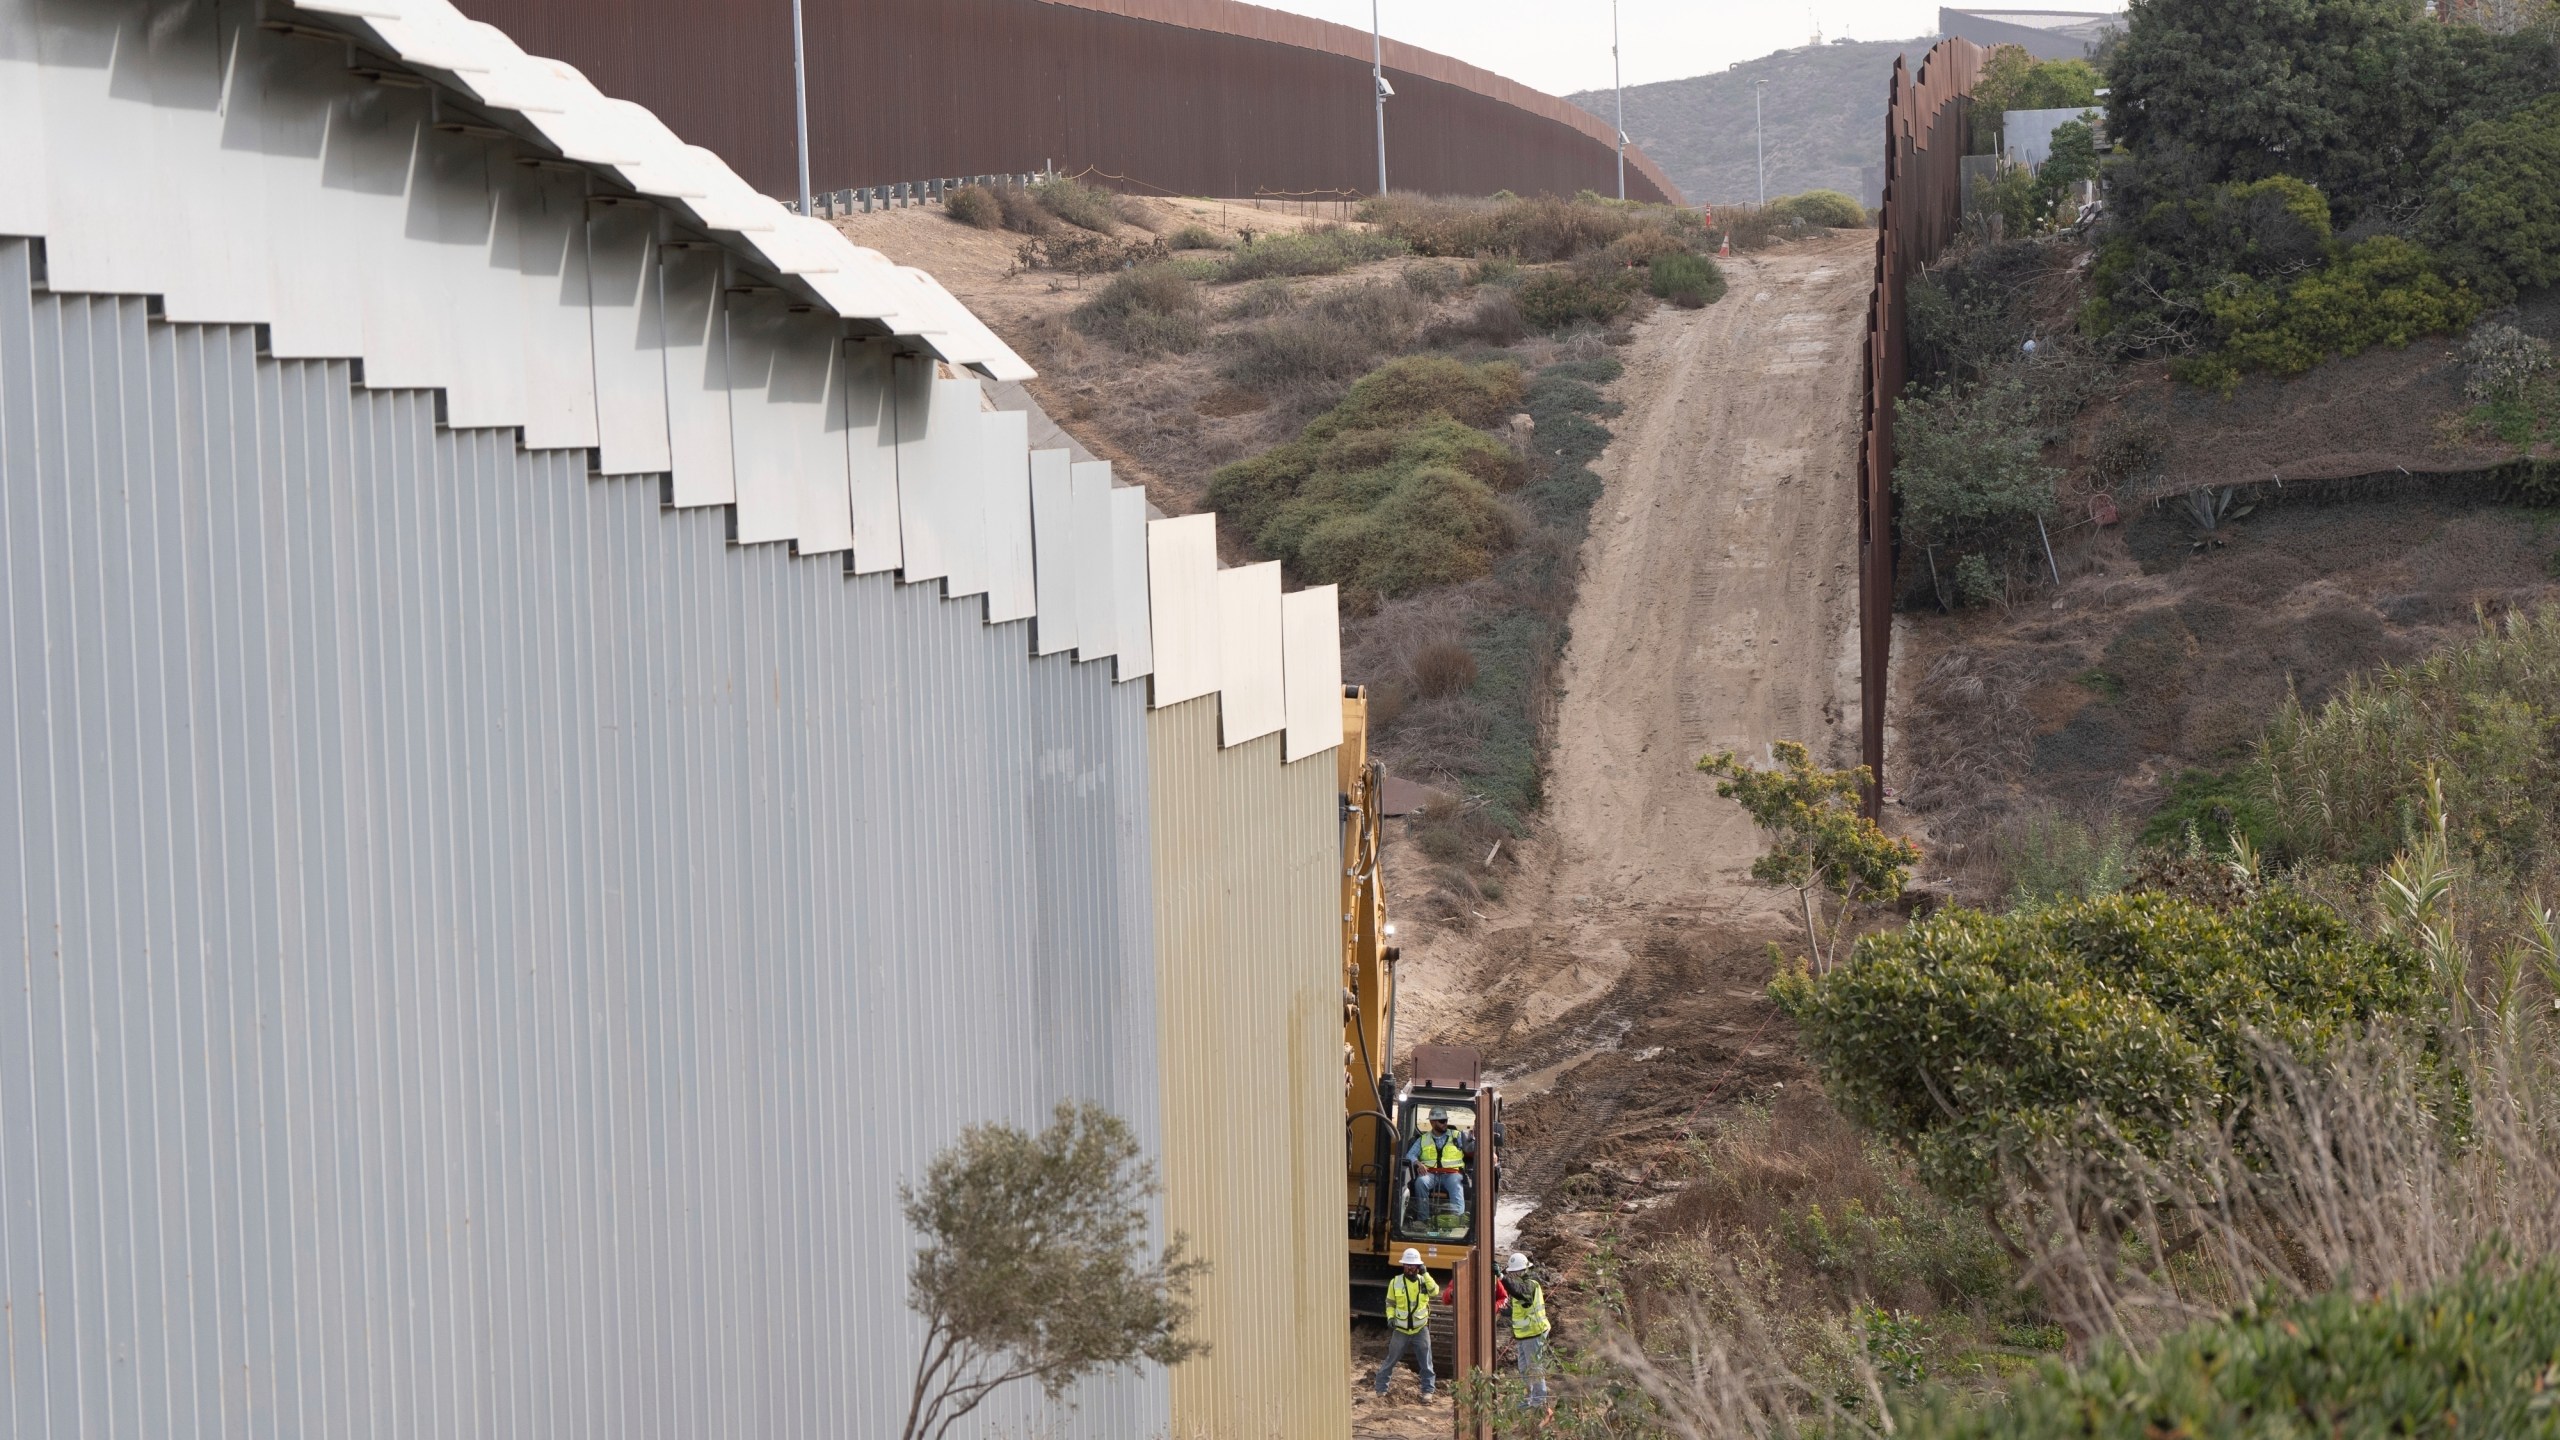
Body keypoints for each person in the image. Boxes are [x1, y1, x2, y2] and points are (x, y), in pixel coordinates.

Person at [1374, 1248, 1441, 1401]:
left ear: (1418, 1266)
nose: (1410, 1268)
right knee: (1390, 1360)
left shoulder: (1424, 1281)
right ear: (1403, 1265)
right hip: (1401, 1329)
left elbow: (1435, 1291)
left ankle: (1427, 1392)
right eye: (1407, 1265)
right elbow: (1390, 1302)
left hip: (1420, 1329)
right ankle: (1381, 1390)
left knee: (1426, 1363)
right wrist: (1390, 1317)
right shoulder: (1395, 1282)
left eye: (1413, 1265)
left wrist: (1426, 1274)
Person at [1406, 1110, 1471, 1228]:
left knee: (1457, 1184)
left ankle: (1458, 1220)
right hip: (1431, 1174)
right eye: (1442, 1121)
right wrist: (1417, 1163)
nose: (1445, 1123)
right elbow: (1410, 1155)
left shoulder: (1457, 1136)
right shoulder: (1423, 1139)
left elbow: (1471, 1147)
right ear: (1432, 1122)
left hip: (1452, 1174)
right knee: (1420, 1182)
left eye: (1446, 1120)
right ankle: (1423, 1219)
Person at [1505, 1251, 1552, 1408]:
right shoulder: (1523, 1285)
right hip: (1524, 1334)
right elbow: (1521, 1306)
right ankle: (1528, 1398)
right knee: (1524, 1368)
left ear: (1521, 1271)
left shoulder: (1530, 1284)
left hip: (1535, 1332)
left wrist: (1502, 1278)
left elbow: (1520, 1293)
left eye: (1513, 1273)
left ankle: (1539, 1400)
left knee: (1534, 1367)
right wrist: (1506, 1311)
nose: (1511, 1276)